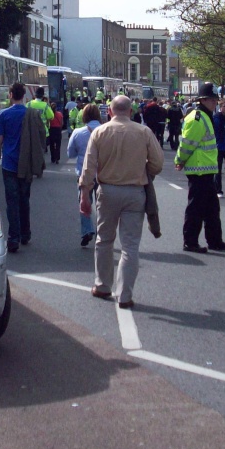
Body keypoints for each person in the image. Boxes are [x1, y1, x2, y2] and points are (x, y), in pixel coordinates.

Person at [80, 96, 164, 309]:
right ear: (131, 111)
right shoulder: (144, 132)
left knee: (104, 240)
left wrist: (84, 194)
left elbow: (89, 167)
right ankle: (125, 295)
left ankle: (102, 285)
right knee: (130, 246)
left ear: (109, 110)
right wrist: (145, 172)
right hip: (135, 192)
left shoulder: (99, 132)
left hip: (107, 191)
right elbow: (158, 163)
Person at [175, 83, 225, 253]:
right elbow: (187, 143)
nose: (215, 103)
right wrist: (180, 160)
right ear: (204, 100)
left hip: (206, 170)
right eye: (213, 100)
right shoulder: (198, 118)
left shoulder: (205, 116)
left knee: (212, 208)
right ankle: (190, 242)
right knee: (196, 208)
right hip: (198, 170)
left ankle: (214, 240)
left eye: (216, 100)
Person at [0, 83, 46, 253]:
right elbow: (40, 136)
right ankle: (26, 233)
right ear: (24, 95)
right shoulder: (31, 113)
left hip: (9, 164)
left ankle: (13, 238)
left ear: (10, 95)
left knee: (12, 202)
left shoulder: (4, 115)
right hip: (26, 164)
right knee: (24, 199)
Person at [68, 103, 103, 247]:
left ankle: (86, 230)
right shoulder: (105, 131)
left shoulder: (78, 132)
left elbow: (70, 153)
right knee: (102, 206)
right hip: (102, 174)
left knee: (84, 203)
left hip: (84, 174)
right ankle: (101, 233)